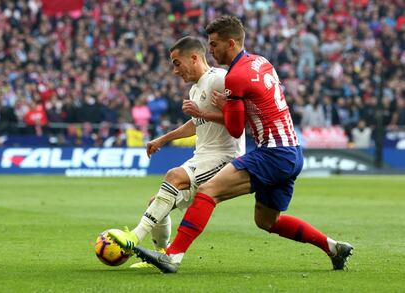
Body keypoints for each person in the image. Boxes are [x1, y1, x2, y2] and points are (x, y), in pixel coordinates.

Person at [121, 16, 354, 273]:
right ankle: (332, 248)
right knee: (267, 221)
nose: (210, 50)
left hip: (272, 152)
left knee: (208, 192)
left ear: (231, 43)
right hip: (293, 152)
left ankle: (172, 255)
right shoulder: (261, 62)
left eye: (214, 45)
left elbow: (234, 127)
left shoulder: (233, 77)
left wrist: (220, 107)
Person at [108, 36, 245, 268]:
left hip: (225, 156)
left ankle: (134, 237)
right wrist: (164, 138)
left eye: (176, 62)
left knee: (173, 176)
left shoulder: (220, 80)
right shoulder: (195, 89)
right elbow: (196, 124)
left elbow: (240, 119)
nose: (174, 70)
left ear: (194, 58)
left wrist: (202, 114)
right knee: (157, 203)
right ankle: (160, 255)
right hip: (203, 156)